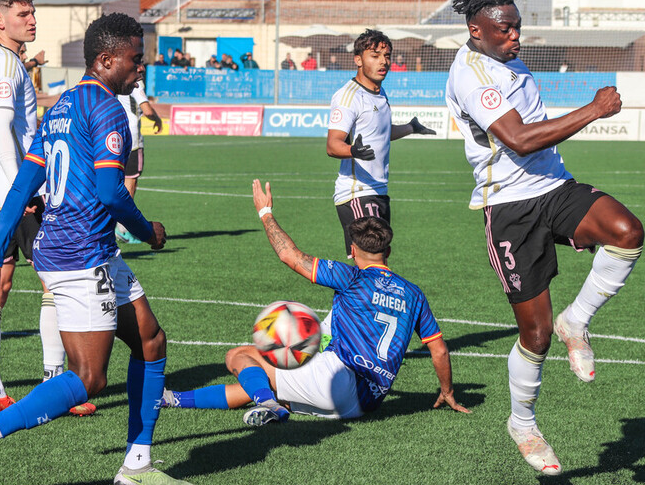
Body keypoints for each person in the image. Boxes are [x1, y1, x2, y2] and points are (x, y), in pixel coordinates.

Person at [0, 12, 195, 485]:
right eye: (136, 58)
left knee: (151, 342)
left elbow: (21, 189)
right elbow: (111, 192)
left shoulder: (61, 107)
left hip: (84, 248)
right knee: (89, 377)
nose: (143, 66)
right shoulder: (109, 110)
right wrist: (149, 231)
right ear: (107, 58)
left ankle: (137, 463)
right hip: (80, 252)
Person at [445, 0, 644, 475]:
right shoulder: (471, 74)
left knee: (626, 231)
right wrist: (594, 110)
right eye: (504, 29)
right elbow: (519, 138)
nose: (516, 37)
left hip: (553, 187)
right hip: (509, 208)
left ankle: (577, 320)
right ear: (476, 31)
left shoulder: (507, 59)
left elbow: (535, 138)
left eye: (517, 27)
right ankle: (523, 423)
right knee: (535, 334)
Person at [161, 182, 468, 425]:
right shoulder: (414, 293)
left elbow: (289, 256)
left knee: (239, 355)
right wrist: (448, 392)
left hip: (336, 380)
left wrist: (265, 212)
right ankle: (173, 399)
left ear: (352, 249)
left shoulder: (351, 277)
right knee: (265, 384)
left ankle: (267, 403)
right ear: (388, 249)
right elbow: (438, 348)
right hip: (365, 403)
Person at [0, 0, 95, 419]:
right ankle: (53, 382)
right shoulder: (4, 63)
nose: (32, 20)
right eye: (23, 13)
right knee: (56, 285)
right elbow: (5, 133)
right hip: (13, 196)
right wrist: (19, 190)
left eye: (32, 13)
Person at [327, 29, 436, 257]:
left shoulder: (380, 92)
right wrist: (353, 151)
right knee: (371, 260)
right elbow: (333, 144)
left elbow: (380, 133)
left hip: (378, 189)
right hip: (357, 192)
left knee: (379, 259)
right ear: (358, 59)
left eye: (387, 55)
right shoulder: (349, 96)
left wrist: (410, 128)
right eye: (375, 55)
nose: (383, 61)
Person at [115, 78, 163, 243]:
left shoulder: (116, 80)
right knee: (130, 183)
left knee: (116, 182)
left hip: (117, 135)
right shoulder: (135, 82)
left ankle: (110, 227)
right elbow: (147, 110)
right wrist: (157, 119)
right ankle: (122, 228)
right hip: (133, 138)